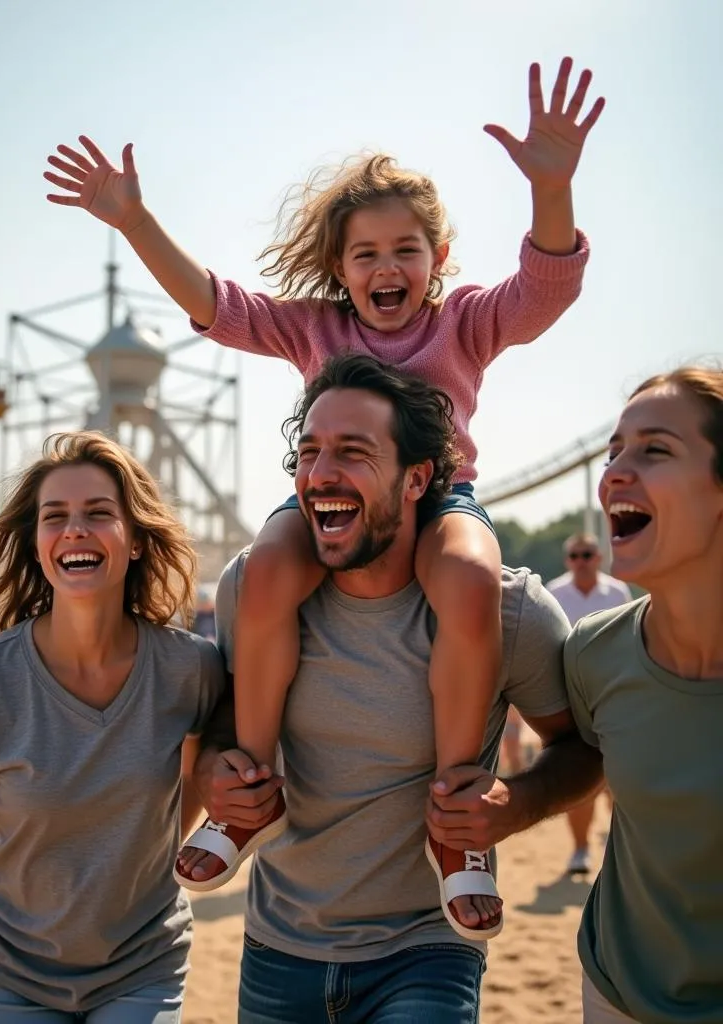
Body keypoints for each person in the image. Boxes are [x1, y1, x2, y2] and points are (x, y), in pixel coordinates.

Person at [45, 57, 604, 928]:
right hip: (331, 504)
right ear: (340, 270)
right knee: (262, 573)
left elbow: (545, 292)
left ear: (438, 260)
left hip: (441, 500)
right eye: (366, 254)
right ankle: (248, 793)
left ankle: (459, 824)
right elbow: (215, 304)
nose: (387, 268)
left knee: (467, 581)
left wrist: (553, 190)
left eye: (405, 251)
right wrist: (134, 218)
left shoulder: (463, 322)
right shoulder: (318, 328)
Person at [174, 355, 604, 1022]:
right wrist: (216, 774)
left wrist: (512, 806)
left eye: (352, 452)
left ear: (416, 478)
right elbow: (222, 728)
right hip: (277, 944)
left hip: (429, 948)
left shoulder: (508, 609)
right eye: (309, 452)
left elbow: (581, 750)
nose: (320, 474)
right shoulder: (253, 587)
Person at [0, 432, 225, 1024]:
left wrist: (159, 848)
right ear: (37, 546)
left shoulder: (191, 670)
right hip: (14, 975)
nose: (75, 529)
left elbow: (211, 765)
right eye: (54, 516)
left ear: (135, 541)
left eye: (99, 513)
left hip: (143, 964)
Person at [564, 367, 723, 1023]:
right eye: (613, 451)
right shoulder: (591, 652)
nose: (614, 474)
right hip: (615, 994)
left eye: (654, 450)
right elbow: (574, 762)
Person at [545, 533, 632, 876]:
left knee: (620, 778)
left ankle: (618, 848)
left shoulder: (618, 592)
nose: (582, 561)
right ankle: (580, 849)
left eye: (588, 554)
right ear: (568, 560)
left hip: (615, 693)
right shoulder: (553, 592)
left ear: (599, 558)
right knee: (577, 777)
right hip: (569, 696)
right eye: (576, 555)